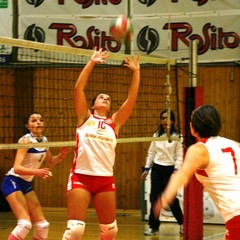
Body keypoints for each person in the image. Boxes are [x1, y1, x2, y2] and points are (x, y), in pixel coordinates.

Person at [62, 48, 140, 240]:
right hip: (81, 177)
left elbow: (131, 99)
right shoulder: (84, 117)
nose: (105, 98)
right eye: (101, 97)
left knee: (110, 231)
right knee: (75, 230)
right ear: (93, 104)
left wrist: (137, 72)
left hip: (104, 179)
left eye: (108, 98)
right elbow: (78, 89)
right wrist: (92, 62)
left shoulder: (115, 122)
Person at [154, 105, 240, 240]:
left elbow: (181, 175)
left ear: (194, 127)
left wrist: (165, 197)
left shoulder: (199, 149)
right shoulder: (234, 144)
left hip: (236, 216)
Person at [1, 112, 68, 240]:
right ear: (28, 126)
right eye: (33, 120)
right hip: (13, 181)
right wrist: (37, 172)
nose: (38, 122)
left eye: (40, 120)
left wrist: (62, 155)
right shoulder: (26, 140)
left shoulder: (44, 140)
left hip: (25, 183)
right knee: (24, 224)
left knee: (43, 226)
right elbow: (17, 168)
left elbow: (50, 161)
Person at [141, 109, 184, 236]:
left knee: (171, 199)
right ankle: (153, 227)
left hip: (170, 170)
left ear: (173, 120)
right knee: (154, 198)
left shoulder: (178, 136)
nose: (165, 120)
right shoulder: (156, 135)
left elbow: (179, 155)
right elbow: (151, 153)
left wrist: (176, 170)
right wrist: (147, 169)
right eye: (163, 118)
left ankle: (182, 224)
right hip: (157, 169)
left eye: (168, 118)